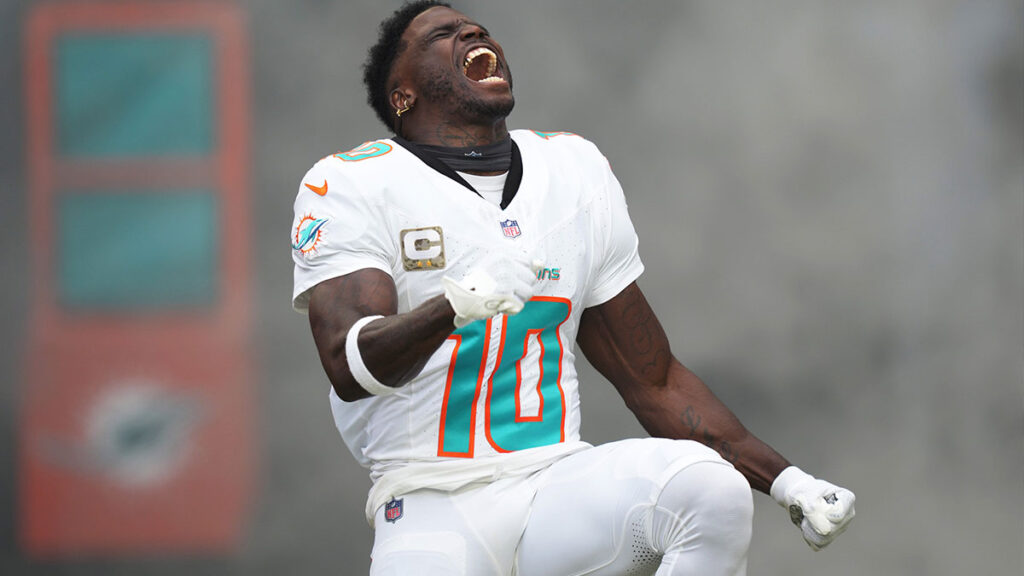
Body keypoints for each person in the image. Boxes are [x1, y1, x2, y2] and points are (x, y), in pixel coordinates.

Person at [290, 2, 855, 574]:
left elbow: (653, 379)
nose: (472, 32)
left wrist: (786, 481)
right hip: (431, 499)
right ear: (402, 93)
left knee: (711, 491)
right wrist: (454, 306)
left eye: (477, 28)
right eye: (442, 33)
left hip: (555, 487)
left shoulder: (574, 169)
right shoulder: (352, 181)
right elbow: (349, 364)